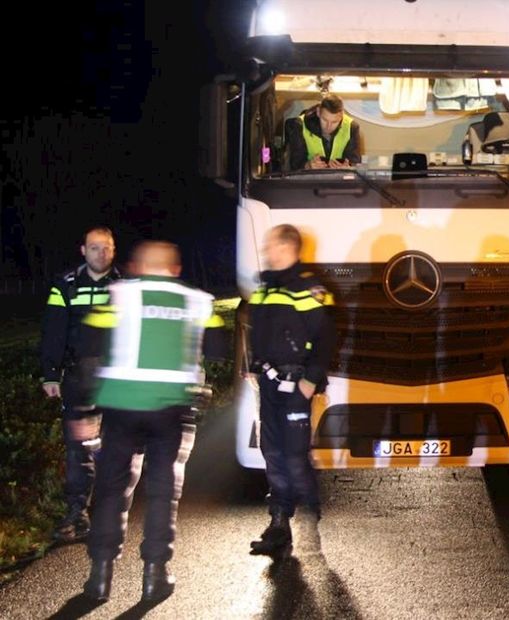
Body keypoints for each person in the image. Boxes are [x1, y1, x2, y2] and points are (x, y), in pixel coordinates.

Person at [80, 241, 227, 602]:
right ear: (175, 270)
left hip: (119, 406)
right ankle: (154, 575)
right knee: (163, 491)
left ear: (137, 267)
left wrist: (86, 408)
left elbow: (86, 343)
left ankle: (100, 576)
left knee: (111, 489)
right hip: (170, 410)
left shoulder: (118, 296)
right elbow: (219, 349)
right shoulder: (199, 302)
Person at [247, 224, 335, 557]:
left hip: (297, 384)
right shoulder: (265, 289)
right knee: (273, 453)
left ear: (288, 249)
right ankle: (279, 525)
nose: (267, 251)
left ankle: (309, 517)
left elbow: (325, 337)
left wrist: (310, 380)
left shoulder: (308, 288)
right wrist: (254, 366)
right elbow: (260, 333)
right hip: (270, 384)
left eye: (272, 246)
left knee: (295, 455)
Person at [40, 225, 121, 543]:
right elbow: (53, 331)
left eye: (107, 247)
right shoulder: (65, 285)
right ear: (83, 250)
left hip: (117, 383)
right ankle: (78, 514)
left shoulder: (125, 287)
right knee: (79, 450)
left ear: (114, 251)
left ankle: (111, 512)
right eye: (95, 247)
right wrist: (50, 373)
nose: (101, 253)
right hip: (78, 381)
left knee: (117, 448)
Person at [285, 93, 362, 170]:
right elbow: (295, 164)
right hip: (310, 178)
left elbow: (355, 163)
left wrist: (348, 168)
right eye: (324, 120)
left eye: (334, 122)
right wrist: (308, 166)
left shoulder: (351, 127)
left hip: (339, 179)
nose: (328, 126)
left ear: (342, 116)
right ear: (318, 112)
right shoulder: (299, 125)